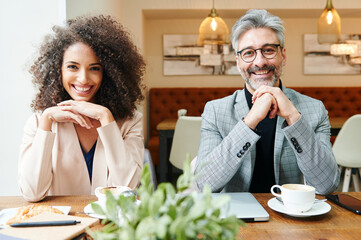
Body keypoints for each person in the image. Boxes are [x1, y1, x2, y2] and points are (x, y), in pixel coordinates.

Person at [195, 9, 340, 195]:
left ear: (283, 56)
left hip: (291, 218)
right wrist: (250, 121)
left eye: (269, 50)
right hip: (235, 219)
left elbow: (327, 185)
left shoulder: (314, 109)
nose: (260, 61)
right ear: (238, 62)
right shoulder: (215, 111)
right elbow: (204, 184)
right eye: (249, 53)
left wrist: (293, 118)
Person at [18, 15, 146, 202]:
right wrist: (47, 121)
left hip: (110, 227)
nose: (83, 79)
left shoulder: (130, 121)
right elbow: (32, 193)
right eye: (73, 67)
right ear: (58, 70)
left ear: (110, 73)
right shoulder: (39, 122)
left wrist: (105, 117)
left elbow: (127, 190)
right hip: (61, 226)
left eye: (94, 68)